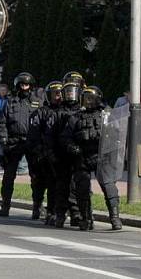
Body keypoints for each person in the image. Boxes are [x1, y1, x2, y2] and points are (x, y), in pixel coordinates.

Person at [62, 86, 122, 231]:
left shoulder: (107, 115)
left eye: (91, 98)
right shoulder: (75, 117)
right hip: (82, 156)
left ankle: (115, 217)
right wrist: (72, 147)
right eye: (85, 98)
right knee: (81, 188)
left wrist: (110, 146)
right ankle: (86, 218)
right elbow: (66, 137)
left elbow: (117, 134)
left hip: (102, 156)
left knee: (108, 186)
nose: (88, 101)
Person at [0, 72, 39, 217]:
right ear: (17, 85)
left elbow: (43, 121)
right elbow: (2, 122)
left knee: (36, 176)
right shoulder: (10, 101)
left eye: (26, 84)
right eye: (21, 84)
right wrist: (3, 138)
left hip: (31, 142)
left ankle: (37, 207)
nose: (24, 87)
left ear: (31, 86)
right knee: (8, 176)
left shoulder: (36, 102)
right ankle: (5, 205)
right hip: (14, 142)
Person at [26, 81, 62, 224]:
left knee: (58, 185)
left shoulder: (66, 110)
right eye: (54, 94)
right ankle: (39, 206)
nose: (58, 97)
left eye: (60, 93)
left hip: (60, 155)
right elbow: (33, 135)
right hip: (43, 155)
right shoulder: (41, 112)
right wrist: (39, 152)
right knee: (39, 183)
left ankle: (56, 211)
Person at [54, 71, 85, 228]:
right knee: (62, 185)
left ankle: (78, 214)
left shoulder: (86, 109)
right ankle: (60, 214)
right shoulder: (58, 111)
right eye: (68, 91)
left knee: (79, 185)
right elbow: (50, 133)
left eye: (74, 90)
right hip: (61, 154)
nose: (71, 94)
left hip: (80, 154)